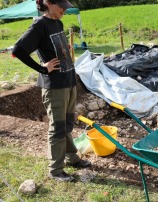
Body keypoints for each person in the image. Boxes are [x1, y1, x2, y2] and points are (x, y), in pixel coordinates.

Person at [12, 0, 91, 182]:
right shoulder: (39, 24)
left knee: (67, 124)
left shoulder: (58, 22)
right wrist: (42, 68)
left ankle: (72, 158)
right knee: (57, 128)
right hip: (55, 86)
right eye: (61, 5)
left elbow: (52, 47)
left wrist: (65, 48)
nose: (64, 9)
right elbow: (18, 50)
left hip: (69, 81)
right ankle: (55, 170)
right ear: (48, 3)